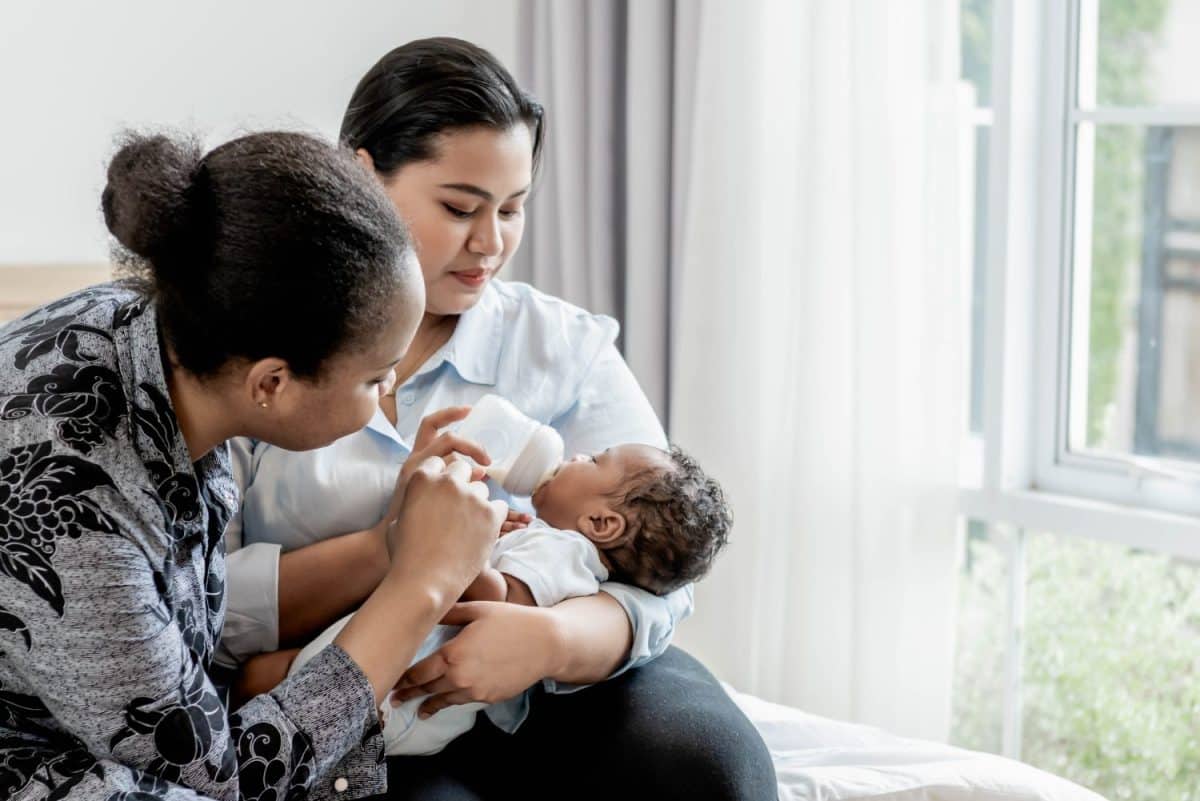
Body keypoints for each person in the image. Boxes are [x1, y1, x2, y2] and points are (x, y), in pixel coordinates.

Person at [225, 38, 777, 800]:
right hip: (354, 680)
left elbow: (663, 558)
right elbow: (198, 601)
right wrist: (399, 552)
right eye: (459, 208)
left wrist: (550, 639)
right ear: (361, 176)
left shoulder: (562, 347)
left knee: (710, 765)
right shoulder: (256, 358)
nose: (490, 245)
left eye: (512, 209)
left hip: (547, 675)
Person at [0, 130, 505, 800]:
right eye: (375, 377)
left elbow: (165, 632)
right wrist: (422, 586)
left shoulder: (147, 325)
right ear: (273, 383)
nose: (388, 394)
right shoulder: (79, 508)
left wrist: (394, 545)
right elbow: (228, 776)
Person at [248, 440, 733, 758]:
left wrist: (459, 543)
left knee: (271, 694)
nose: (579, 454)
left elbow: (505, 601)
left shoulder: (563, 551)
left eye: (595, 461)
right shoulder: (559, 550)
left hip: (404, 683)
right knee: (265, 683)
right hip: (408, 688)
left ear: (601, 524)